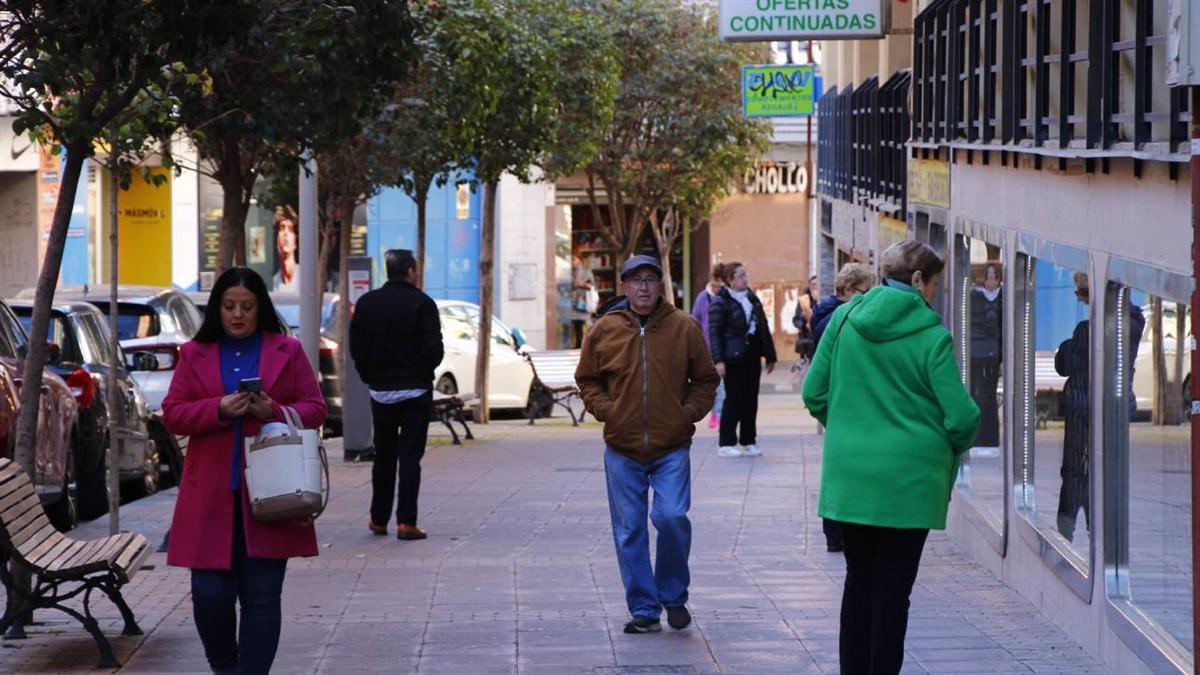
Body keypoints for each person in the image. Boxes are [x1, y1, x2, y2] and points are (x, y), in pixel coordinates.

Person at [802, 240, 980, 675]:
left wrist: (847, 427)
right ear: (918, 280)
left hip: (851, 479)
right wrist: (943, 446)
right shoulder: (932, 336)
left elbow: (813, 393)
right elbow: (961, 416)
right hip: (910, 483)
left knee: (858, 581)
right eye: (935, 282)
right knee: (893, 590)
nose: (935, 292)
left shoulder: (843, 318)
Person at [162, 267, 326, 675]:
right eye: (230, 306)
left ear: (260, 308)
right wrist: (217, 408)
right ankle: (225, 668)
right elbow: (173, 413)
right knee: (209, 594)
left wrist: (274, 410)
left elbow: (316, 408)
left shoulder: (287, 350)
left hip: (274, 494)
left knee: (263, 599)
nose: (238, 315)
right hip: (210, 496)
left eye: (247, 307)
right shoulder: (194, 354)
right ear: (217, 309)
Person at [575, 254, 719, 635]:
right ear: (623, 286)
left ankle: (673, 596)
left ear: (660, 286)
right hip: (622, 446)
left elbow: (705, 380)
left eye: (650, 279)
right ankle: (644, 608)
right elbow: (587, 379)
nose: (642, 286)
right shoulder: (604, 330)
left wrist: (685, 413)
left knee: (671, 518)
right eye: (635, 279)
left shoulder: (683, 327)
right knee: (630, 530)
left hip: (671, 445)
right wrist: (608, 411)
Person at [349, 249, 445, 541]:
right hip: (416, 391)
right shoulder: (423, 304)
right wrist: (422, 370)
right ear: (412, 271)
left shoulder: (367, 304)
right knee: (410, 457)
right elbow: (434, 349)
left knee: (384, 456)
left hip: (381, 392)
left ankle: (378, 519)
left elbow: (357, 348)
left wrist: (371, 376)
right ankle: (406, 522)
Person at [1053, 272, 1144, 542]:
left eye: (1082, 294)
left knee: (1075, 470)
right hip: (1115, 408)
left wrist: (1066, 346)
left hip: (1083, 409)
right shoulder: (1134, 324)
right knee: (1105, 470)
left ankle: (1068, 526)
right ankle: (1100, 529)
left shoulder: (1087, 330)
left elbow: (1064, 365)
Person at [806, 262, 876, 553]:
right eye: (864, 291)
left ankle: (837, 534)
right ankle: (838, 534)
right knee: (844, 473)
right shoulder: (839, 316)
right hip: (843, 400)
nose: (869, 297)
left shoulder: (826, 312)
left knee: (838, 471)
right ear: (847, 290)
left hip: (838, 402)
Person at [709, 262, 777, 458]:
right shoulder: (721, 302)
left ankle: (749, 440)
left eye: (745, 275)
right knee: (734, 399)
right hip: (733, 356)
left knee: (751, 399)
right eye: (740, 276)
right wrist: (718, 360)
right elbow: (715, 334)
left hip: (752, 355)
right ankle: (726, 442)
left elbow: (763, 327)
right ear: (730, 280)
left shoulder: (752, 299)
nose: (745, 279)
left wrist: (770, 356)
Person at [970, 264, 1003, 449]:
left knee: (988, 396)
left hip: (991, 353)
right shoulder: (974, 296)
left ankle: (989, 438)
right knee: (976, 395)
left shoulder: (1002, 298)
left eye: (994, 276)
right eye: (988, 276)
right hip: (979, 351)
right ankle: (979, 438)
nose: (991, 280)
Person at [691, 262, 727, 430]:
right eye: (714, 283)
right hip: (707, 349)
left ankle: (719, 414)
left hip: (724, 348)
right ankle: (716, 414)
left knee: (723, 386)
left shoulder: (725, 297)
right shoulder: (702, 298)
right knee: (717, 385)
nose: (716, 287)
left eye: (719, 284)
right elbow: (695, 321)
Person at [570, 255, 595, 348]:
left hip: (583, 301)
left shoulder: (586, 271)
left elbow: (592, 286)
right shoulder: (570, 272)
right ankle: (577, 345)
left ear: (578, 260)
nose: (572, 262)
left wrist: (583, 284)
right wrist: (574, 284)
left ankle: (583, 346)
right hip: (573, 302)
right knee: (576, 325)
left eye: (574, 259)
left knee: (583, 324)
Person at [793, 274, 820, 361]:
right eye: (812, 284)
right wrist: (803, 323)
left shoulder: (824, 299)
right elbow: (796, 319)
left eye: (816, 284)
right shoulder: (804, 299)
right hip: (807, 340)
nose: (814, 286)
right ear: (809, 285)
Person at [273, 206, 299, 292]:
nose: (286, 233)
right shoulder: (274, 282)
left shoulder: (305, 278)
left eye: (290, 229)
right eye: (282, 228)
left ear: (295, 243)